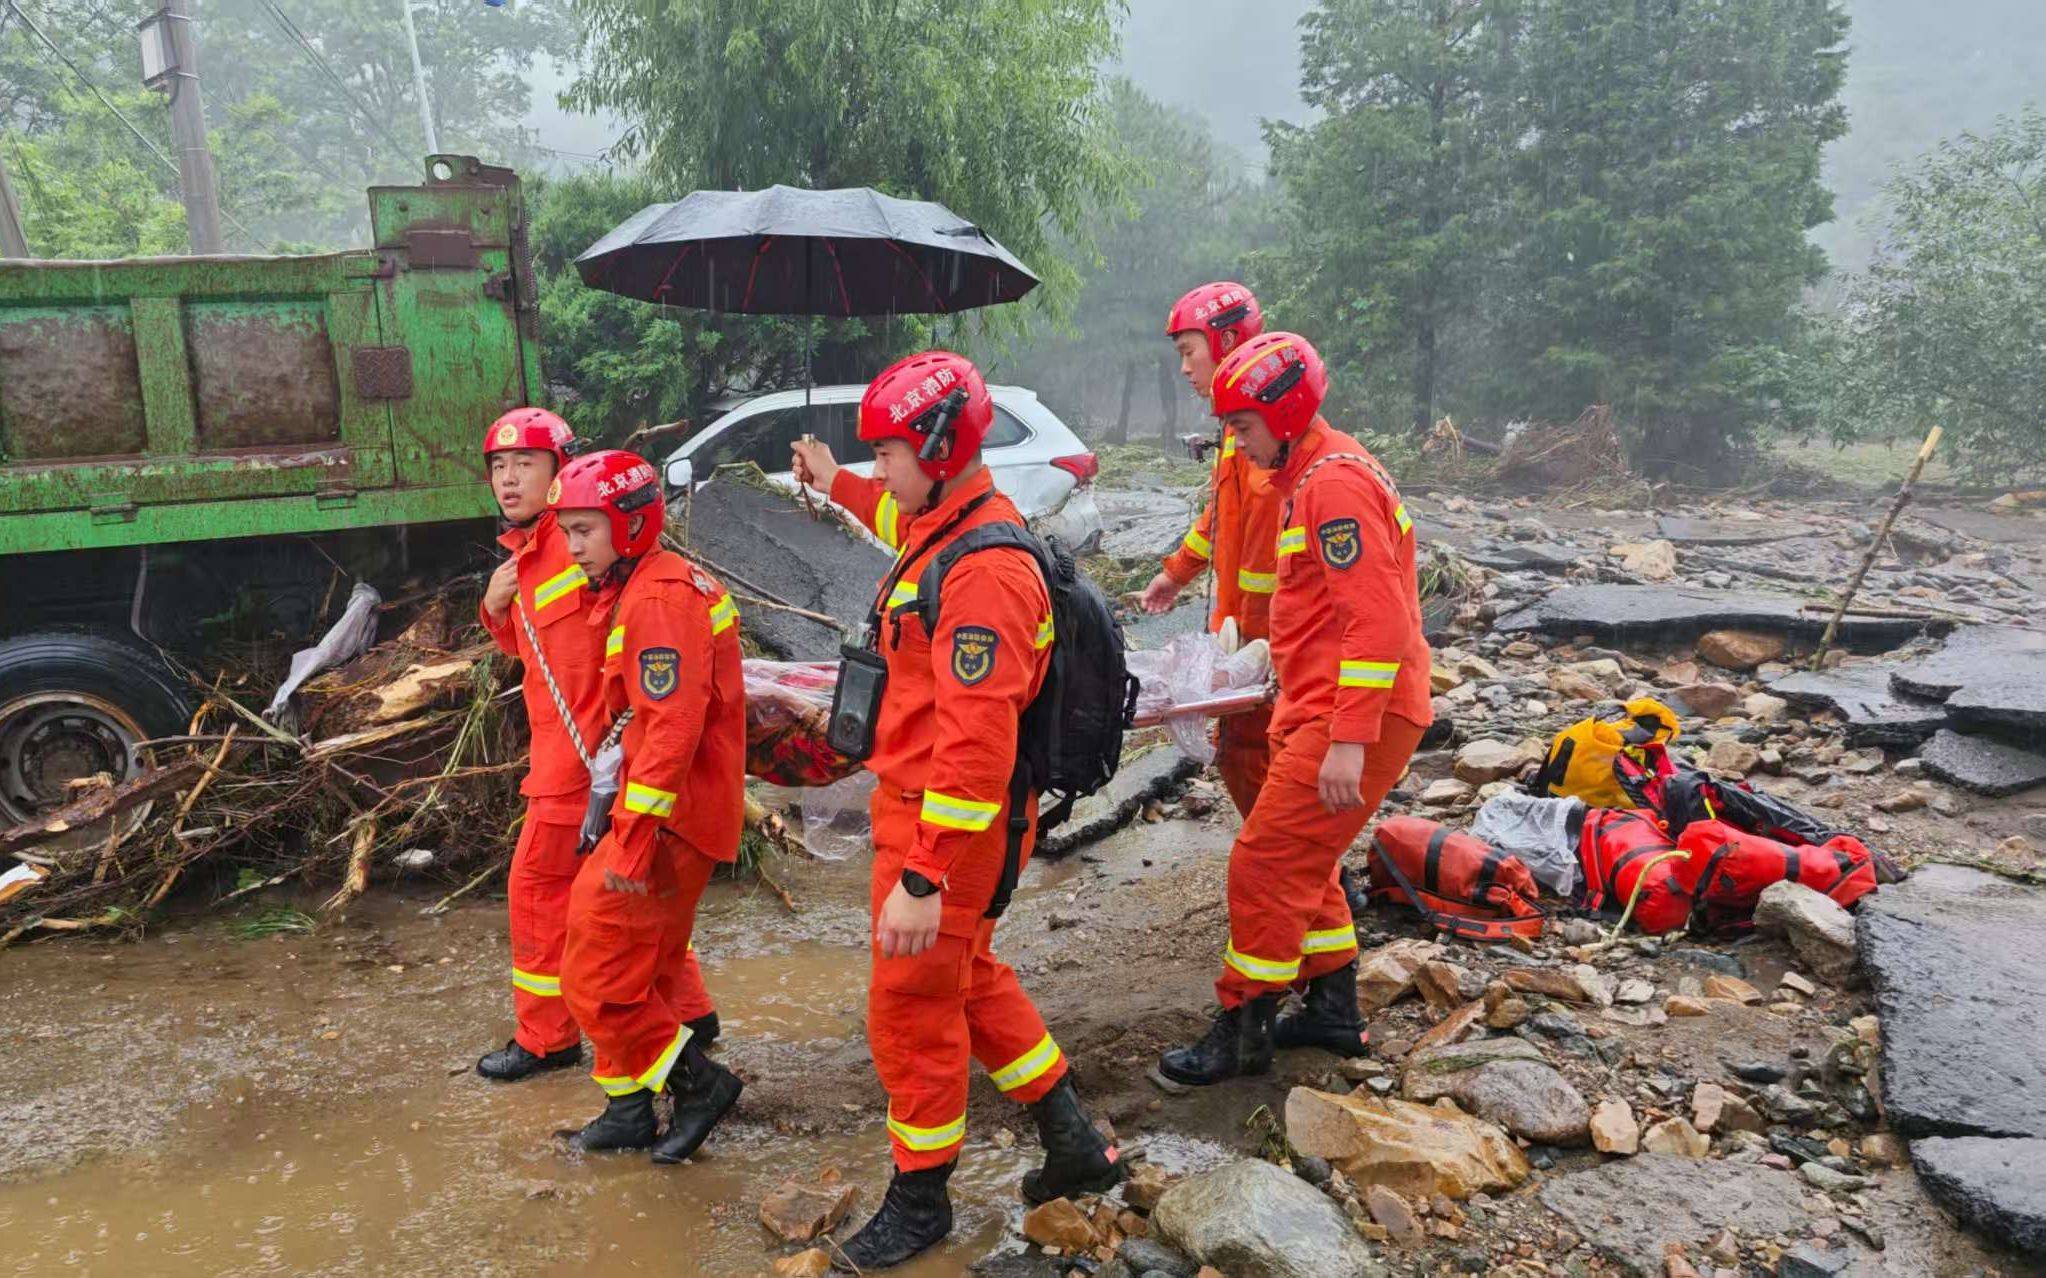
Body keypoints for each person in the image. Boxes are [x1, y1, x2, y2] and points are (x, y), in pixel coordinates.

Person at [791, 352, 1122, 1270]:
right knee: (966, 977)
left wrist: (924, 875)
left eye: (888, 452)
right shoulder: (940, 522)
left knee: (909, 1008)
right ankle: (1072, 1139)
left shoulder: (985, 573)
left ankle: (922, 1196)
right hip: (929, 810)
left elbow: (977, 749)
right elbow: (888, 512)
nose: (882, 469)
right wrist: (834, 479)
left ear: (939, 450)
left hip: (953, 822)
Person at [1158, 333, 1433, 1085]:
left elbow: (1378, 622)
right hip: (1321, 704)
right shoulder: (1309, 474)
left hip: (1351, 713)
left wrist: (1349, 738)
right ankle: (1333, 1009)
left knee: (1266, 862)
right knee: (1302, 858)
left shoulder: (1332, 486)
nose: (1237, 443)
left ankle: (1242, 1031)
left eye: (1243, 427)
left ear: (1282, 416)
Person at [474, 410, 719, 1083]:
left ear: (561, 469)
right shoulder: (538, 553)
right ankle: (690, 1011)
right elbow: (537, 650)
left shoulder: (575, 548)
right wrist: (494, 607)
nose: (508, 478)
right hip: (588, 756)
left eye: (525, 463)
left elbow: (611, 659)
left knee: (537, 890)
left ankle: (547, 1037)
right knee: (633, 901)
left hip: (580, 762)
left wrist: (607, 766)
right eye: (498, 466)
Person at [549, 449, 746, 1163]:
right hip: (671, 815)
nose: (572, 548)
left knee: (595, 974)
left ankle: (698, 1086)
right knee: (635, 965)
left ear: (630, 525)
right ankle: (630, 1110)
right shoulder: (644, 586)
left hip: (668, 822)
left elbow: (669, 733)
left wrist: (632, 840)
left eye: (584, 531)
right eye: (566, 532)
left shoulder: (659, 601)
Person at [1138, 283, 1282, 817]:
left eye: (1188, 352)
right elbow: (1219, 517)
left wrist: (1266, 647)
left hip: (1267, 635)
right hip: (1244, 632)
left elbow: (1280, 550)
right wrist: (1176, 573)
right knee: (1241, 756)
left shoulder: (1264, 435)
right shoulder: (1237, 430)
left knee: (1256, 757)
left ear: (1225, 342)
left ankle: (1284, 857)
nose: (1183, 368)